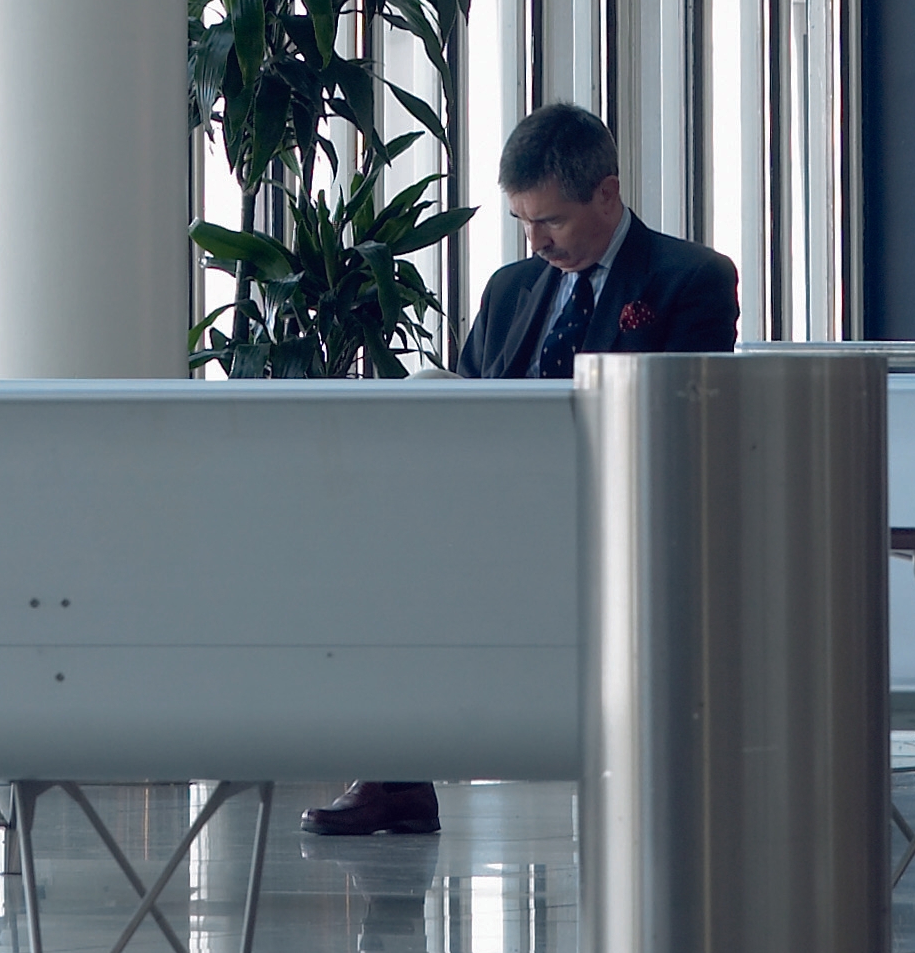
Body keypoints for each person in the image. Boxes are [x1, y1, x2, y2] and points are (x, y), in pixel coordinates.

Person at [302, 103, 739, 842]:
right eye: (523, 224)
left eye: (552, 223)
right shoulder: (511, 289)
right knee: (376, 553)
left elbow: (684, 420)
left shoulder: (686, 279)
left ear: (607, 194)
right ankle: (397, 775)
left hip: (616, 508)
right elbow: (473, 401)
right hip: (493, 505)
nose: (536, 243)